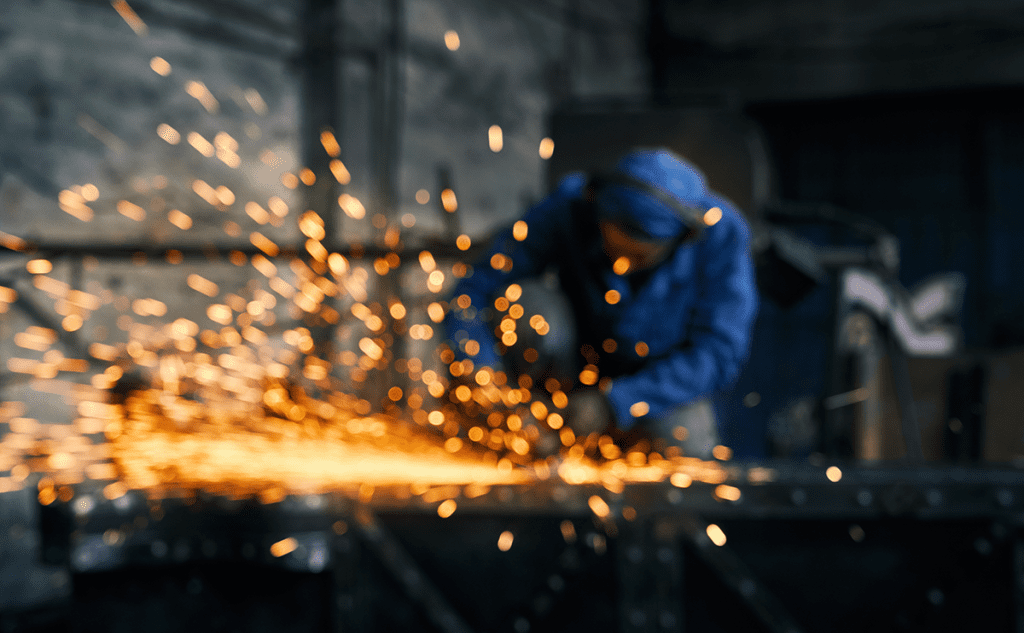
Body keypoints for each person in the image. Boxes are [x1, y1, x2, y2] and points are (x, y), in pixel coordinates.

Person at [445, 148, 758, 458]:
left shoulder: (720, 235)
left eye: (639, 258)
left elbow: (718, 354)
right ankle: (529, 433)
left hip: (656, 384)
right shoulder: (571, 205)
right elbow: (472, 294)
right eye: (615, 250)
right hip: (570, 368)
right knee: (524, 305)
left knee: (686, 447)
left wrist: (615, 402)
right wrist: (486, 384)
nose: (624, 266)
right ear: (600, 213)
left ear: (681, 239)